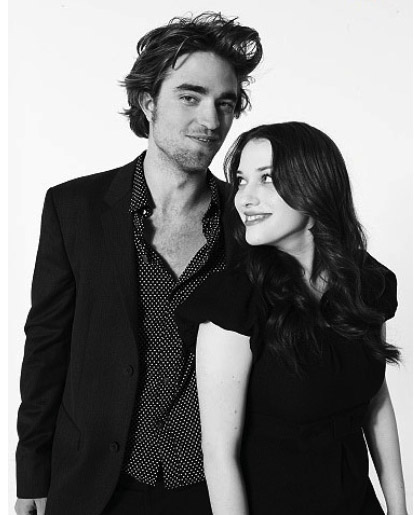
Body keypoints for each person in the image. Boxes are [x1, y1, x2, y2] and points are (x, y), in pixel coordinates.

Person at [14, 12, 263, 515]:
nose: (211, 120)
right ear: (148, 103)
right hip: (97, 485)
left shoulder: (251, 224)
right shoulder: (75, 208)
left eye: (225, 103)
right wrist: (31, 472)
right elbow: (46, 347)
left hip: (214, 489)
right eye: (190, 97)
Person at [175, 122, 408, 514]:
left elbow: (375, 399)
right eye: (241, 180)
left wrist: (398, 508)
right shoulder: (233, 304)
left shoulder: (366, 283)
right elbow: (218, 454)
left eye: (266, 178)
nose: (245, 198)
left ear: (314, 187)